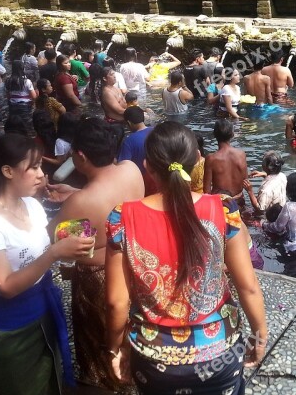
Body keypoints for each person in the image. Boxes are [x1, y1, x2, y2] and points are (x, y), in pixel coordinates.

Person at [104, 121, 267, 392]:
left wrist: (114, 348)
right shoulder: (224, 208)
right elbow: (247, 286)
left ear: (148, 167)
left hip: (153, 356)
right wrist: (259, 336)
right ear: (197, 161)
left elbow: (115, 303)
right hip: (219, 350)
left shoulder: (122, 216)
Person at [0, 133, 95, 395]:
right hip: (7, 324)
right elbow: (6, 286)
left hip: (42, 309)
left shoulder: (32, 206)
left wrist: (69, 244)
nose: (41, 174)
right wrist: (55, 254)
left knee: (47, 380)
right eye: (33, 167)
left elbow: (41, 246)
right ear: (7, 171)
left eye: (40, 167)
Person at [47, 118, 144, 391]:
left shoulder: (82, 202)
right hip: (135, 262)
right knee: (128, 323)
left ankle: (106, 381)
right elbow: (109, 208)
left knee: (99, 333)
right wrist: (76, 194)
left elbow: (58, 238)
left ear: (80, 156)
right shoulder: (131, 170)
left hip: (100, 276)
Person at [203, 119, 248, 204]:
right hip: (239, 202)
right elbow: (245, 182)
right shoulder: (241, 154)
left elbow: (206, 191)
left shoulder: (211, 159)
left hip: (220, 204)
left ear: (214, 135)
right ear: (232, 134)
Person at [117, 106, 156, 195]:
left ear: (129, 123)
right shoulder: (157, 131)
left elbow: (123, 166)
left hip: (141, 183)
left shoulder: (129, 141)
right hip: (159, 178)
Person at [248, 151, 287, 215]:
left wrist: (250, 191)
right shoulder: (282, 176)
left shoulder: (266, 190)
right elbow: (274, 179)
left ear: (265, 166)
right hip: (281, 210)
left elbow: (260, 209)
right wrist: (264, 174)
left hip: (270, 218)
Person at [7, 60, 37, 128]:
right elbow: (34, 96)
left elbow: (8, 95)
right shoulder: (27, 81)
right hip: (24, 106)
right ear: (22, 68)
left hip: (12, 104)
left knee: (14, 122)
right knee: (25, 124)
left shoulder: (8, 80)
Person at [99, 68, 126, 143]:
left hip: (123, 122)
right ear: (104, 78)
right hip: (114, 125)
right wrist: (137, 111)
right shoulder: (107, 93)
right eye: (111, 74)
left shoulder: (116, 88)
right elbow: (119, 111)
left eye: (114, 74)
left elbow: (125, 104)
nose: (114, 76)